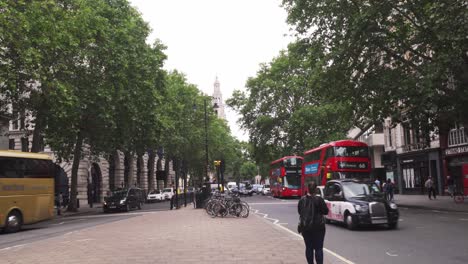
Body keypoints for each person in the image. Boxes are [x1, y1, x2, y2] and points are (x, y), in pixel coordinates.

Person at [298, 182, 329, 264]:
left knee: (309, 247)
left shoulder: (302, 200)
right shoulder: (319, 200)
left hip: (305, 227)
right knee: (318, 248)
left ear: (308, 189)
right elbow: (326, 211)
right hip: (318, 227)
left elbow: (300, 211)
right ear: (316, 189)